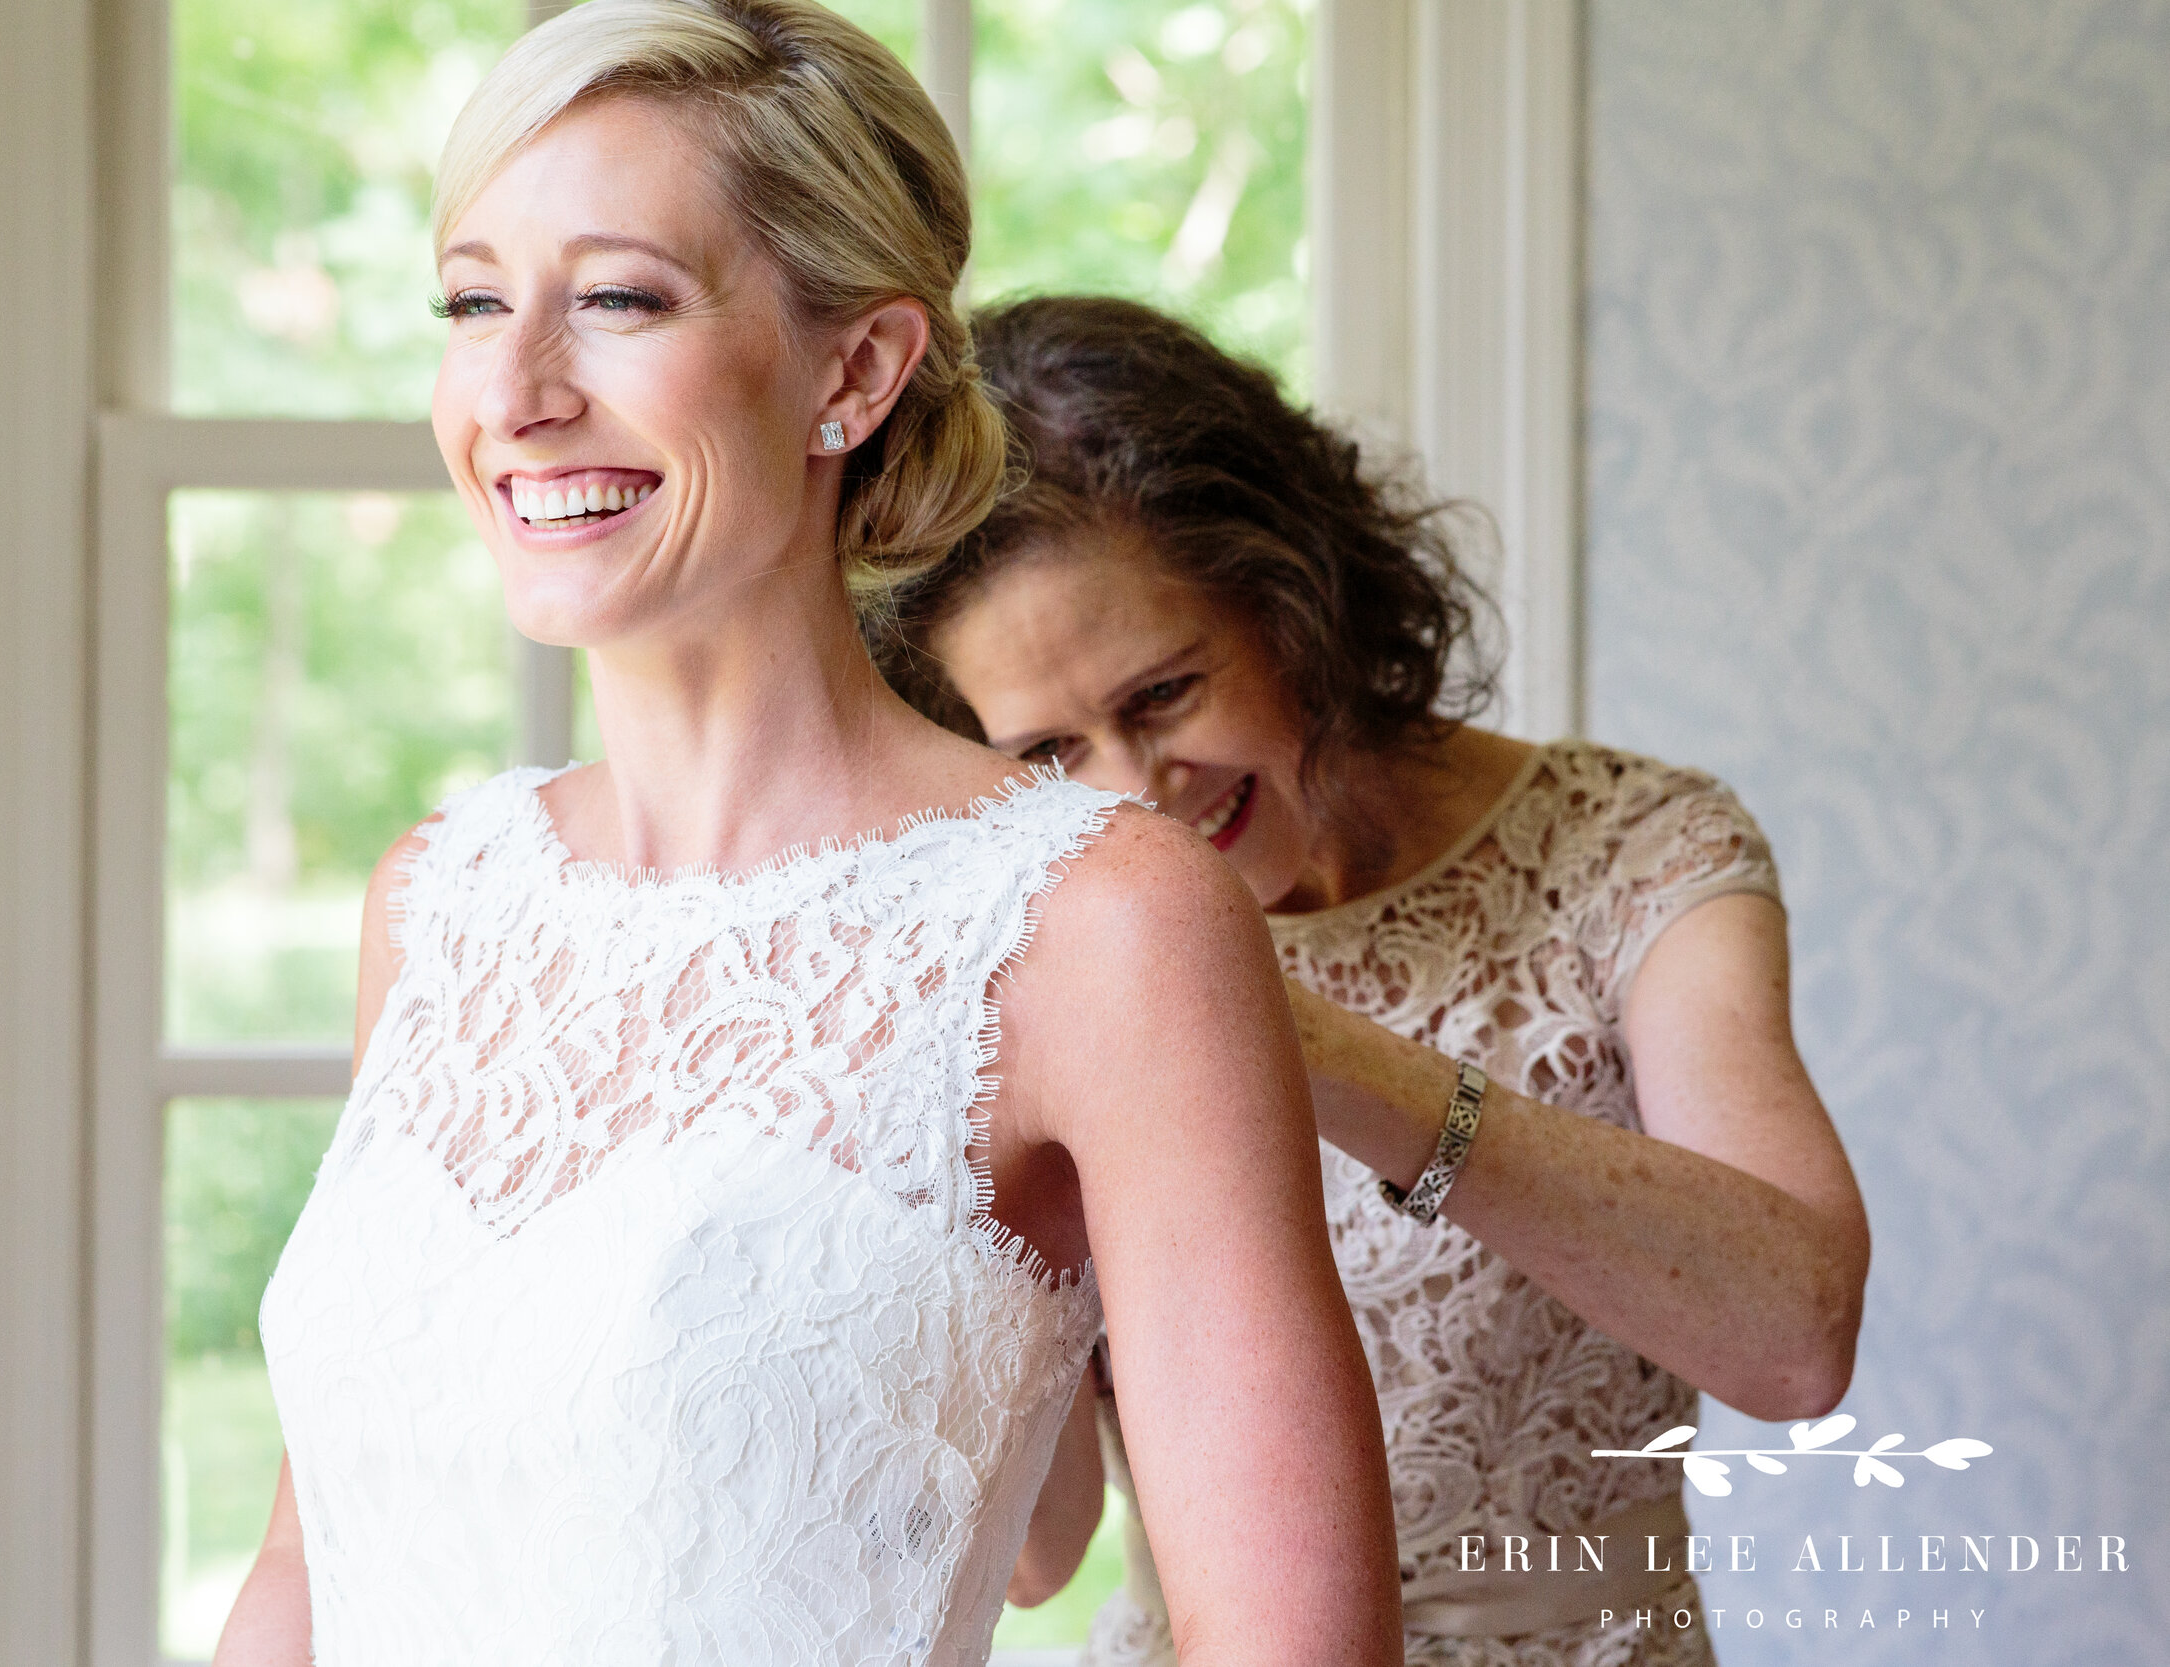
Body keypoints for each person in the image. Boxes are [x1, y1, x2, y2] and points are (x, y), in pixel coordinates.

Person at [211, 10, 1403, 1665]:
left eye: (617, 300)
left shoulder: (1097, 922)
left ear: (856, 370)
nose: (514, 391)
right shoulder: (437, 903)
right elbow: (307, 1570)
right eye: (475, 301)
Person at [868, 296, 1872, 1667]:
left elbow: (1794, 1339)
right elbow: (1041, 1556)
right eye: (1048, 755)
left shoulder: (1635, 853)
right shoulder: (1044, 949)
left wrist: (1315, 1045)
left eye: (1165, 694)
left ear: (1298, 603)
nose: (1137, 800)